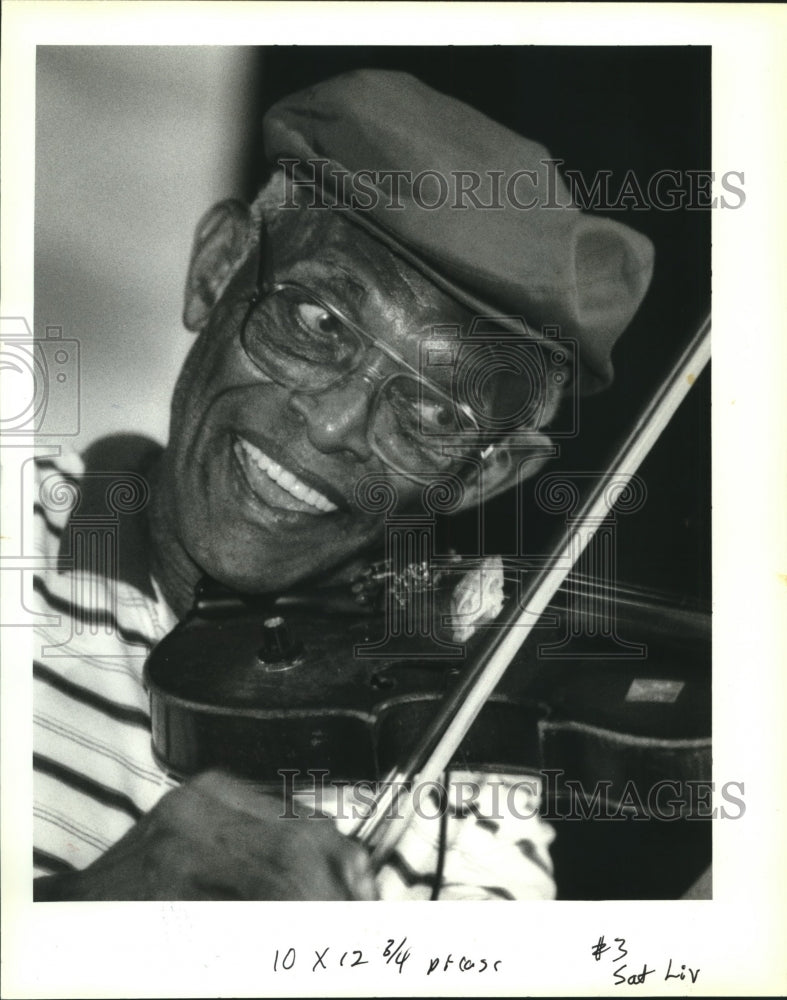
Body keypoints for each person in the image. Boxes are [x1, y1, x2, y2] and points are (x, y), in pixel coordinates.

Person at [31, 69, 654, 901]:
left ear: (481, 476)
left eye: (432, 411)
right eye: (319, 323)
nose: (332, 426)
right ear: (217, 271)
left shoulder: (464, 820)